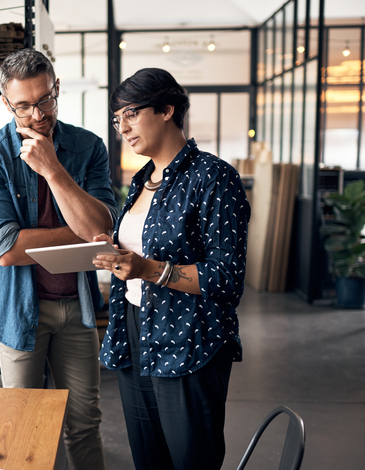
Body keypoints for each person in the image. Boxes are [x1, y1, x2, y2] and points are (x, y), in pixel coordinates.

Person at [92, 68, 251, 470]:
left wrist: (147, 268)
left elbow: (226, 277)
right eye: (117, 119)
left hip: (189, 337)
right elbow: (141, 249)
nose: (122, 127)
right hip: (134, 327)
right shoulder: (142, 179)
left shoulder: (214, 177)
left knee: (191, 459)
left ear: (166, 109)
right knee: (149, 459)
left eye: (130, 113)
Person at [0, 48, 117, 470]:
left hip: (77, 308)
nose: (37, 114)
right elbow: (7, 250)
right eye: (24, 105)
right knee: (22, 424)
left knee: (85, 423)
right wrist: (80, 231)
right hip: (18, 311)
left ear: (56, 90)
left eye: (45, 99)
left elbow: (103, 230)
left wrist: (54, 171)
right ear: (6, 104)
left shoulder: (87, 148)